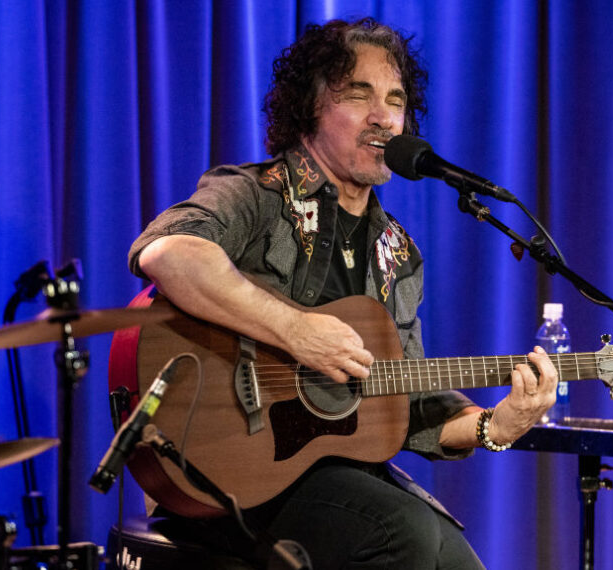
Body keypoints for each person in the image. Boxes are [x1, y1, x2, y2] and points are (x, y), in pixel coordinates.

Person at [128, 17, 557, 568]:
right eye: (359, 94)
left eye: (396, 100)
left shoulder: (397, 253)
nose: (384, 116)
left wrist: (496, 425)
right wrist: (295, 331)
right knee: (404, 533)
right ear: (309, 107)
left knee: (459, 561)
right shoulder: (256, 195)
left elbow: (407, 404)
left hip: (336, 484)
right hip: (227, 473)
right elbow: (167, 251)